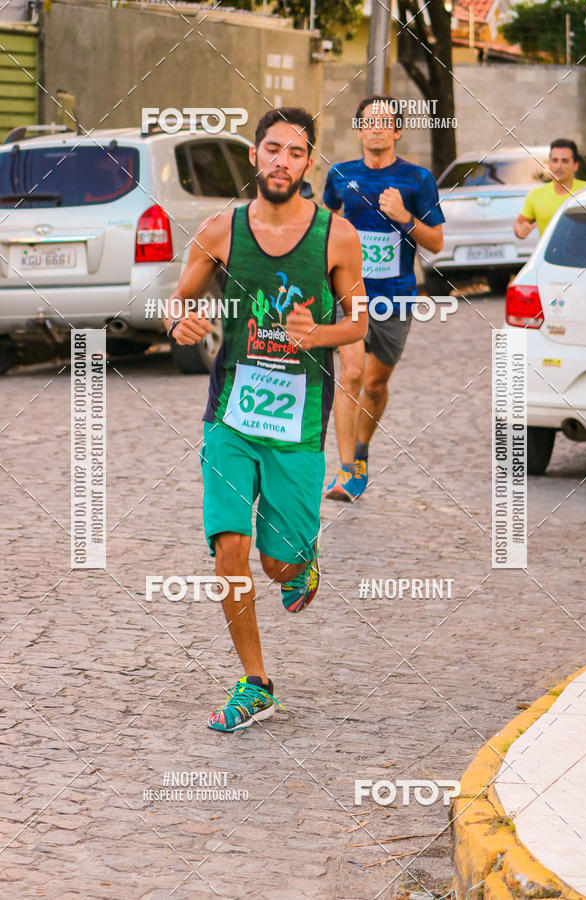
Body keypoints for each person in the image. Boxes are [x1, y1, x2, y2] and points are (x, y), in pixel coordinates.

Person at [162, 107, 367, 733]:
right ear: (255, 156)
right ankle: (255, 681)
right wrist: (178, 321)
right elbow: (179, 299)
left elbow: (358, 323)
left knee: (278, 564)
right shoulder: (220, 229)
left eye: (296, 152)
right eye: (272, 149)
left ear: (309, 163)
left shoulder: (337, 236)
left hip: (300, 425)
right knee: (230, 547)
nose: (282, 161)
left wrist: (318, 332)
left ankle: (299, 564)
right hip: (230, 415)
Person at [322, 95, 444, 502]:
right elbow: (324, 226)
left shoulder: (417, 180)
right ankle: (345, 469)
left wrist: (405, 218)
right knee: (352, 374)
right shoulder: (340, 175)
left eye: (384, 121)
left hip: (396, 298)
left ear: (397, 131)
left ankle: (362, 449)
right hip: (349, 295)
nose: (376, 127)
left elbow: (437, 243)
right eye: (368, 121)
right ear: (358, 129)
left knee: (374, 384)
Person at [514, 138, 586, 240]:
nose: (559, 166)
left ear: (575, 166)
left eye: (565, 161)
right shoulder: (536, 194)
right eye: (555, 160)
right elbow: (519, 224)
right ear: (549, 164)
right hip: (548, 256)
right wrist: (520, 230)